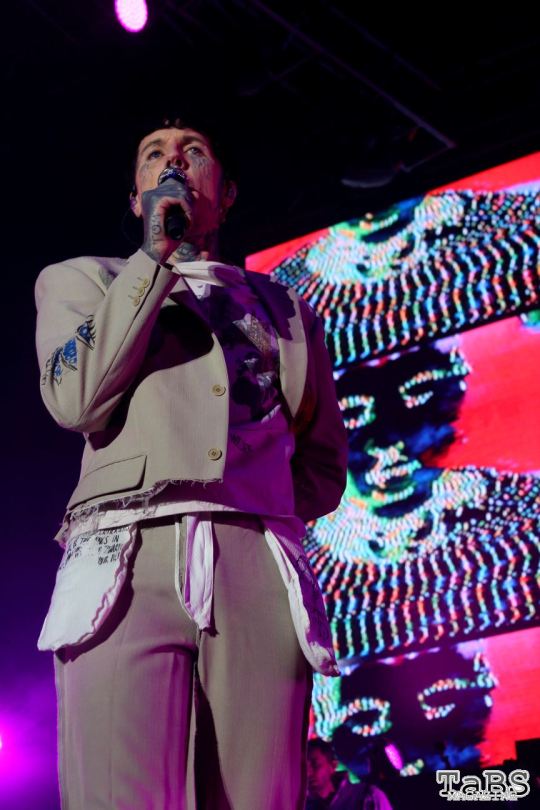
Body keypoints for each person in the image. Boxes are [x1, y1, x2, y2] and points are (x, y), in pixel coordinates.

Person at [35, 115, 348, 809]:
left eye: (193, 151)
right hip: (125, 551)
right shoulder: (83, 280)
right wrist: (154, 260)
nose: (173, 159)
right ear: (137, 197)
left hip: (255, 553)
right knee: (117, 792)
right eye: (154, 154)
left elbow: (324, 465)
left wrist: (251, 500)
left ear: (226, 193)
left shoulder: (289, 311)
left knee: (257, 794)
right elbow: (75, 399)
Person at [306, 738, 393, 809]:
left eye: (314, 764)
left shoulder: (367, 796)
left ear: (333, 765)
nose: (307, 773)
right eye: (303, 767)